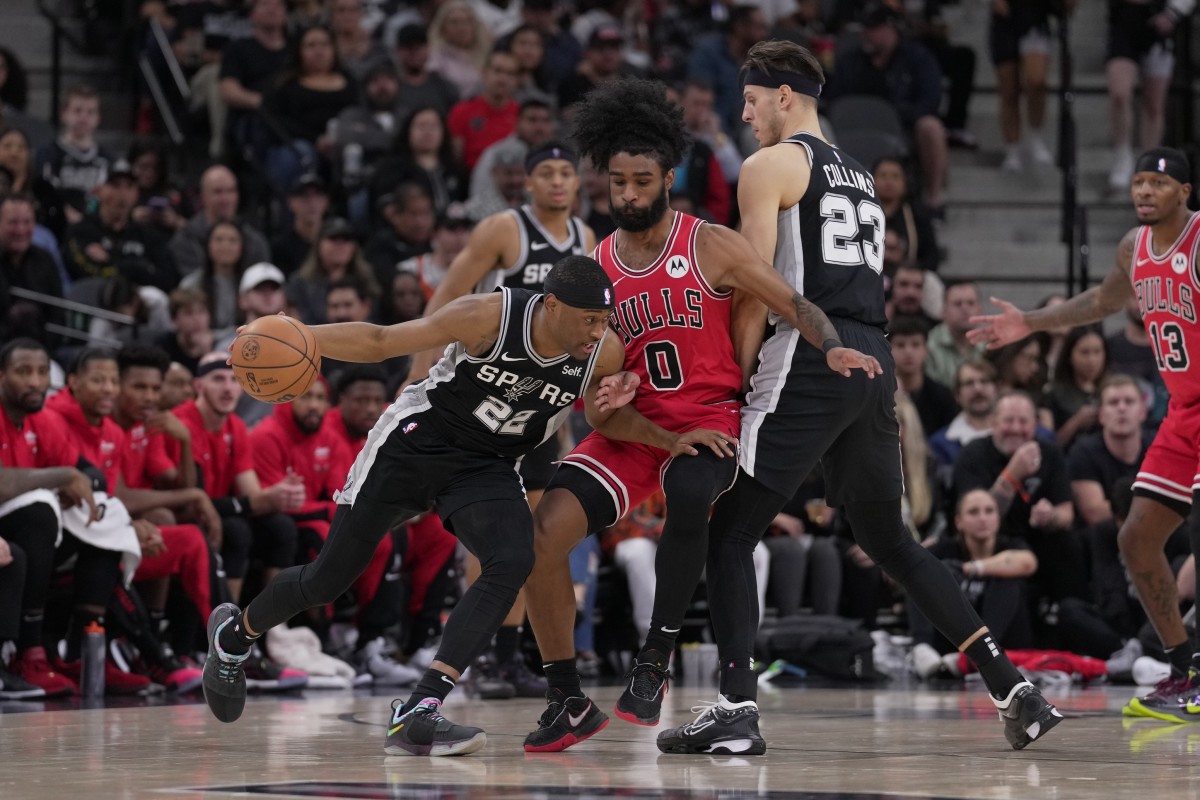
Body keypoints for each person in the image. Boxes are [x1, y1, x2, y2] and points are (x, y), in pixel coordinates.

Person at [642, 40, 1060, 755]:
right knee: (887, 539)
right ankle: (1011, 686)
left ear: (784, 96)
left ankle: (736, 708)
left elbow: (751, 280)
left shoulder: (770, 165)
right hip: (872, 360)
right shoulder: (862, 175)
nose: (743, 114)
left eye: (750, 99)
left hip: (809, 349)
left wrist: (734, 380)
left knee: (729, 530)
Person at [517, 77, 880, 755]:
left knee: (690, 498)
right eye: (617, 182)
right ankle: (564, 694)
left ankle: (654, 659)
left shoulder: (708, 243)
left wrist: (831, 346)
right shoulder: (594, 267)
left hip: (710, 417)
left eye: (641, 180)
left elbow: (791, 299)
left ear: (668, 177)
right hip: (636, 429)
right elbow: (587, 379)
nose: (627, 195)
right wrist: (599, 396)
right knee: (540, 538)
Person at [202, 256, 628, 757]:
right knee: (327, 580)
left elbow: (603, 415)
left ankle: (419, 709)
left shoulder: (603, 352)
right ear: (552, 306)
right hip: (414, 445)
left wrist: (626, 404)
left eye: (604, 320)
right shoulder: (489, 316)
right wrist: (301, 335)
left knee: (513, 559)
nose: (598, 331)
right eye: (589, 320)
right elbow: (384, 340)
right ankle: (234, 634)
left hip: (486, 465)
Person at [968, 146, 1200, 722]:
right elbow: (1101, 301)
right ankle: (1186, 668)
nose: (1144, 191)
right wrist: (1030, 322)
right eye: (1139, 181)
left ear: (1185, 193)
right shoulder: (1133, 248)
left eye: (1158, 184)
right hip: (1182, 411)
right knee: (1136, 539)